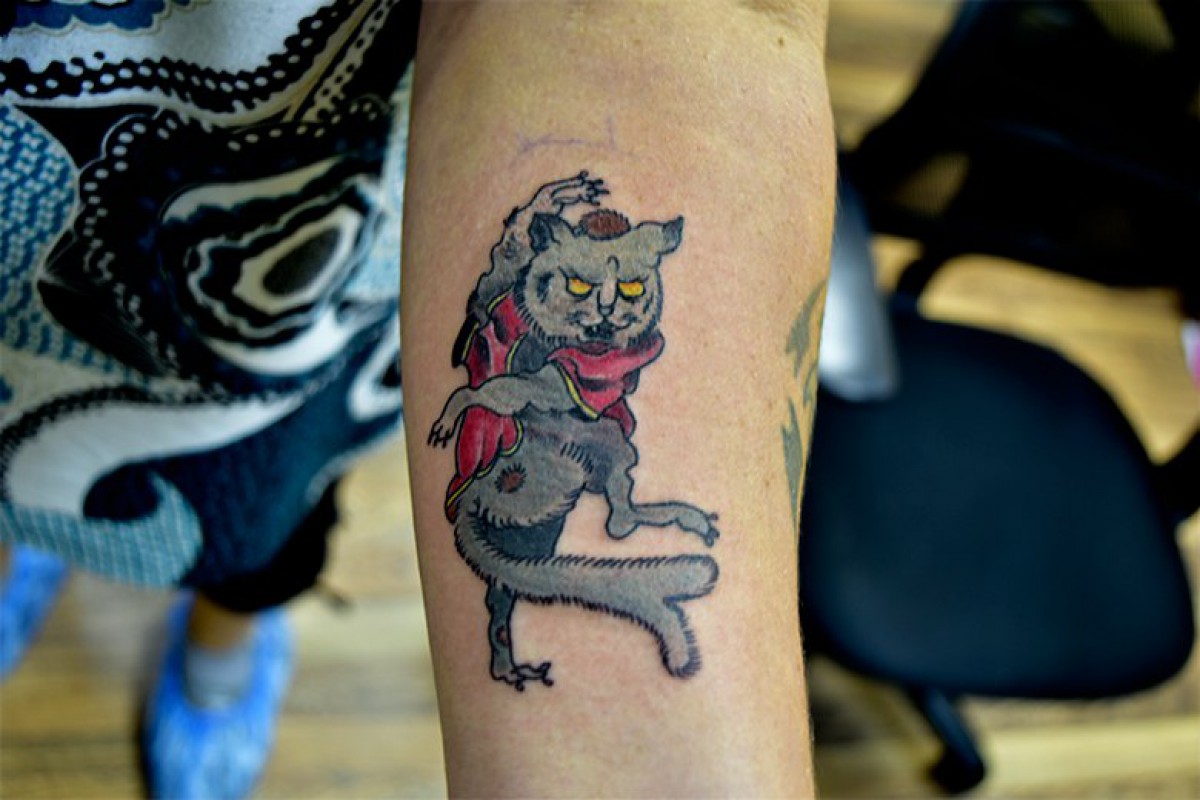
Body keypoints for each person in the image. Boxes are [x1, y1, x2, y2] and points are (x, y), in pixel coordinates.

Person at [1, 1, 834, 797]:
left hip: (299, 252)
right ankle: (22, 546)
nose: (606, 312)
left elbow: (639, 33)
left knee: (261, 510)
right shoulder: (526, 307)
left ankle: (219, 650)